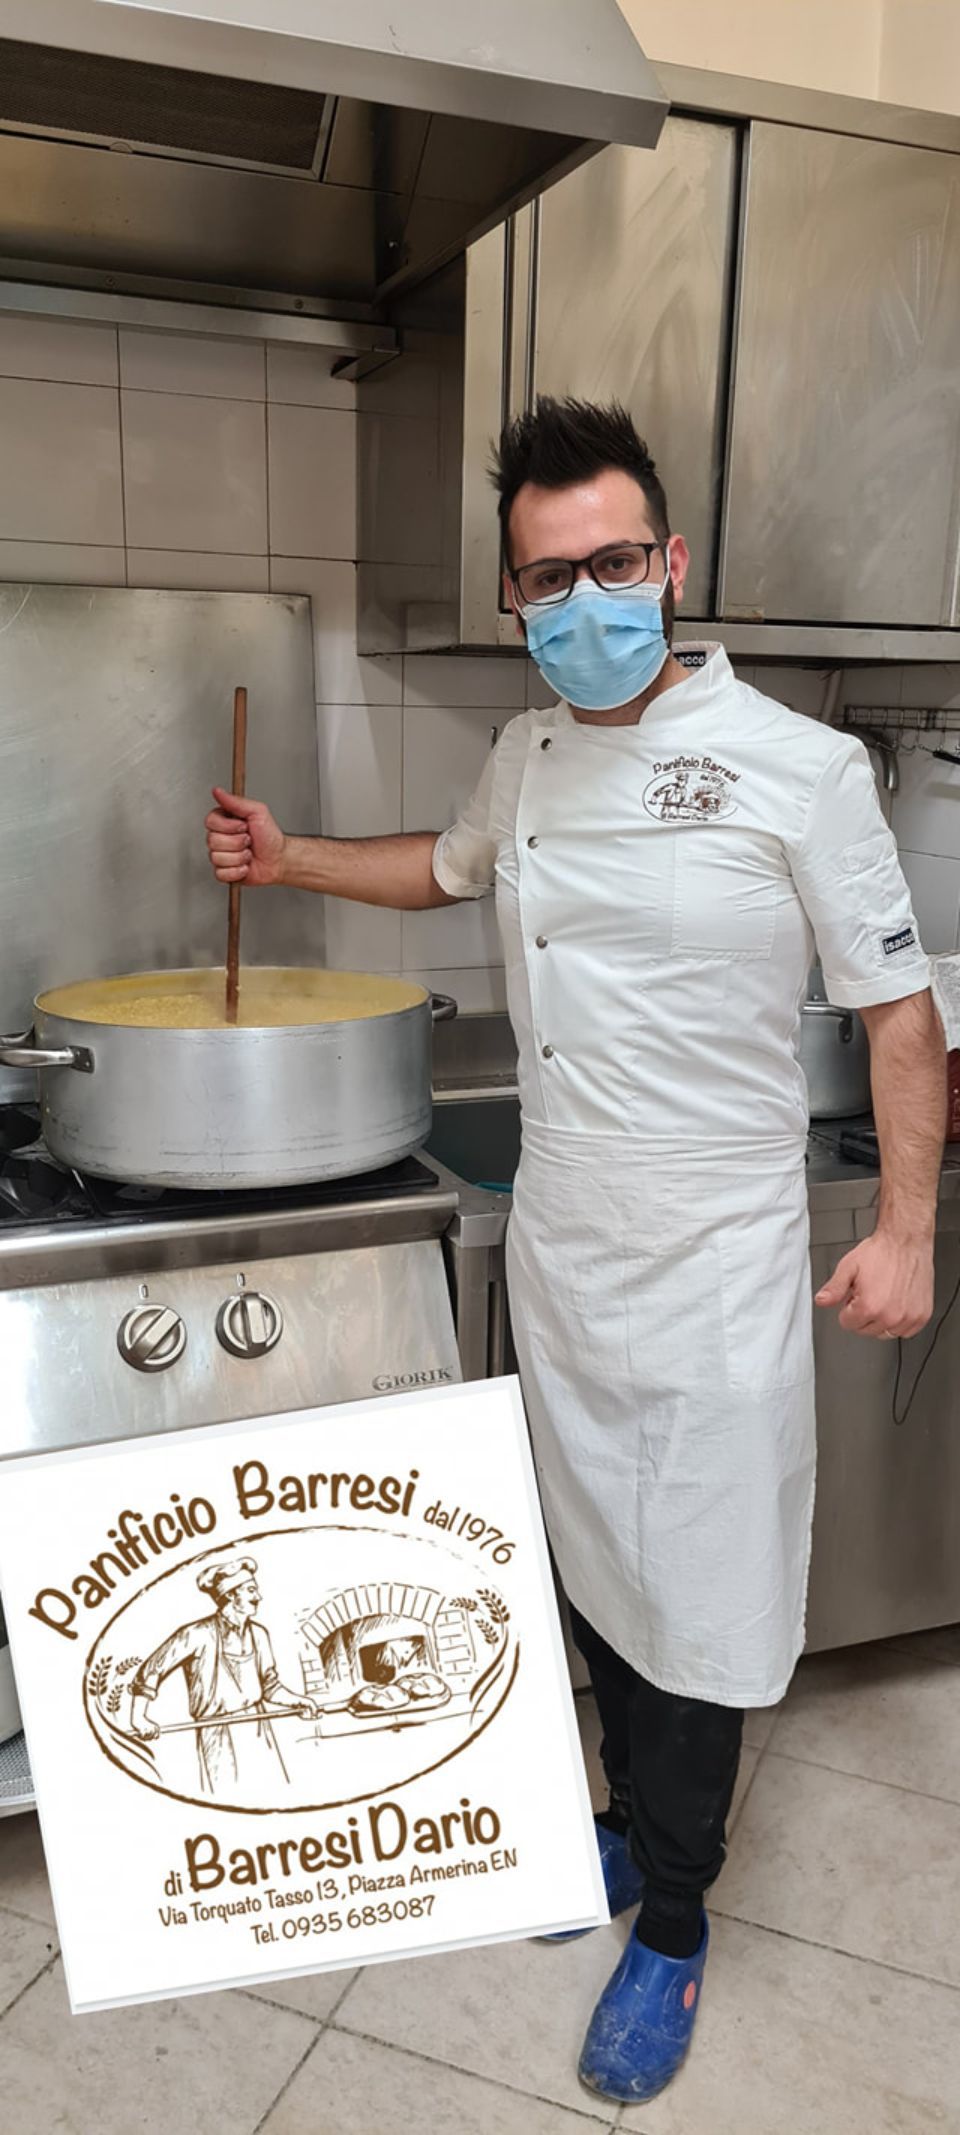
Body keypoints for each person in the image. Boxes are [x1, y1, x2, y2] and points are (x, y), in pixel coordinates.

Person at [205, 398, 945, 2104]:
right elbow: (447, 871)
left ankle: (676, 1927)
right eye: (546, 579)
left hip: (712, 1262)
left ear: (671, 563)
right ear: (518, 594)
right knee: (592, 1570)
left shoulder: (801, 769)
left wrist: (907, 1227)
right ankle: (619, 1829)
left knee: (697, 1592)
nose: (582, 600)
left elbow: (903, 1014)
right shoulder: (528, 756)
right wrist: (294, 852)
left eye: (612, 564)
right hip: (568, 1245)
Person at [130, 1555, 316, 1797]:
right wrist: (139, 1717)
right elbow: (152, 1669)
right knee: (232, 1799)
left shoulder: (259, 1635)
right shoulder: (196, 1634)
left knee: (275, 1795)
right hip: (216, 1732)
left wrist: (297, 1700)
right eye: (251, 1590)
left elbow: (269, 1686)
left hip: (259, 1726)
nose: (258, 1597)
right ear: (230, 1595)